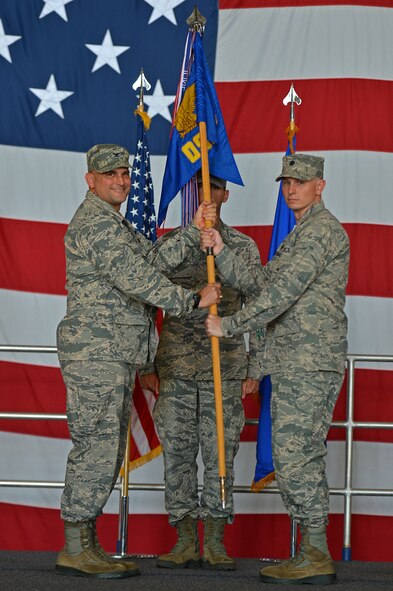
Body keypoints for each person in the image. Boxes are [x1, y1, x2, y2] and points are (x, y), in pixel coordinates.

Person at [55, 144, 221, 579]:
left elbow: (148, 259)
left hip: (113, 352)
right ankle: (75, 544)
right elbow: (138, 278)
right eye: (110, 174)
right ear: (90, 180)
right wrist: (191, 299)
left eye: (125, 174)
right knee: (97, 447)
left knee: (107, 449)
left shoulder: (115, 224)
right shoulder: (95, 224)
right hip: (97, 352)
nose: (121, 181)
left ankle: (85, 542)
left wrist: (190, 231)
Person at [203, 154, 349, 585]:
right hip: (292, 361)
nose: (291, 189)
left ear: (319, 186)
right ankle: (312, 550)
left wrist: (226, 325)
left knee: (296, 456)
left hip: (308, 362)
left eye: (300, 182)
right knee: (295, 456)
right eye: (286, 182)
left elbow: (278, 297)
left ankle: (315, 553)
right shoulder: (300, 235)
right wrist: (221, 249)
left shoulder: (321, 232)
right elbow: (260, 285)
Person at [147, 172, 264, 571]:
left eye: (213, 186)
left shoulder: (242, 246)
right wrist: (147, 364)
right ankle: (184, 540)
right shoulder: (171, 244)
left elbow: (261, 305)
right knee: (178, 456)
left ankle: (214, 539)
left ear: (226, 194)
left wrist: (256, 365)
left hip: (226, 368)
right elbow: (147, 290)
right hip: (177, 366)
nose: (206, 193)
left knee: (220, 457)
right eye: (198, 186)